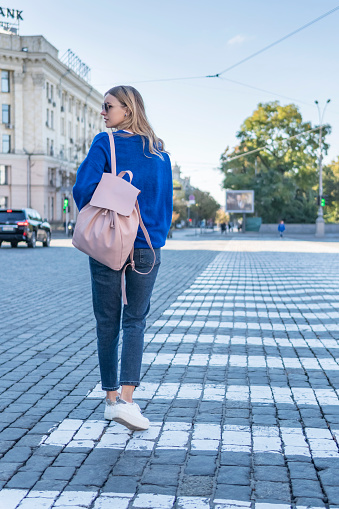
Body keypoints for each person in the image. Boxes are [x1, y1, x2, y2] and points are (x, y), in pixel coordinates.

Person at [73, 86, 173, 431]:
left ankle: (112, 399)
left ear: (127, 110)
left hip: (109, 242)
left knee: (107, 321)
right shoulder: (160, 152)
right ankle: (127, 401)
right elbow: (164, 206)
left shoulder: (107, 142)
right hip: (147, 246)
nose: (103, 112)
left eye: (108, 106)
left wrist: (111, 196)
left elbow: (82, 189)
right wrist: (151, 238)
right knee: (135, 321)